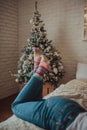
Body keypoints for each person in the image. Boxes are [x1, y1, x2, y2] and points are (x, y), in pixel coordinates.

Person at [12, 48, 86, 130]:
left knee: (36, 101)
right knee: (16, 105)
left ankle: (37, 67)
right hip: (62, 117)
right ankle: (41, 68)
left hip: (73, 109)